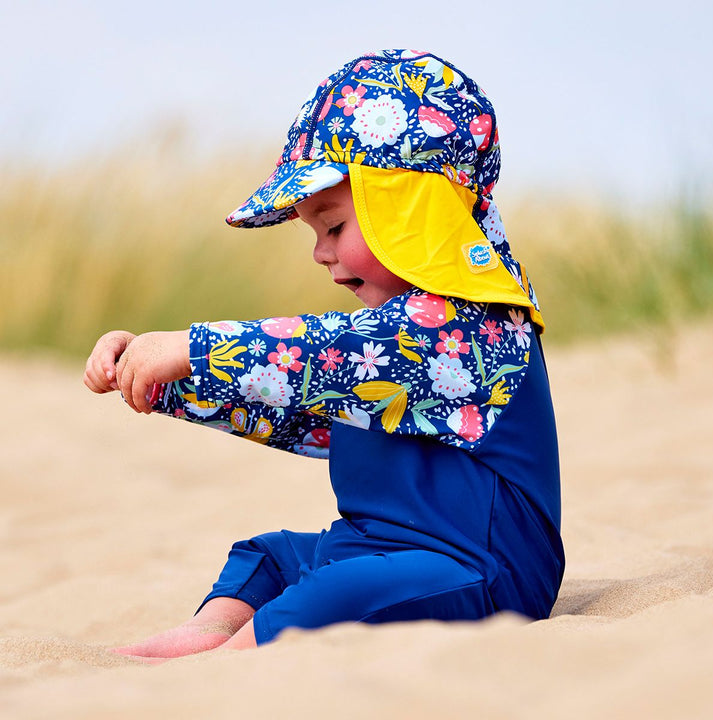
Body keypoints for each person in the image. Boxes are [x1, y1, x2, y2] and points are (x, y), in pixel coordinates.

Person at [84, 49, 564, 657]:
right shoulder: (376, 343)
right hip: (373, 545)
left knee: (335, 592)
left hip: (479, 567)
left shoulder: (475, 325)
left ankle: (231, 661)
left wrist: (193, 348)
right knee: (268, 555)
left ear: (412, 212)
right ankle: (207, 633)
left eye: (334, 227)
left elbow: (320, 352)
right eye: (313, 233)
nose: (319, 252)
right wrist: (158, 379)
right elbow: (301, 400)